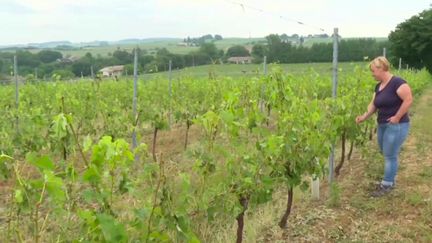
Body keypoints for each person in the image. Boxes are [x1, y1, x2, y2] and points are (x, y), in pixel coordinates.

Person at [355, 56, 413, 197]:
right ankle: (390, 180)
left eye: (373, 71)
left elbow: (408, 99)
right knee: (385, 152)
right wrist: (364, 116)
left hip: (396, 125)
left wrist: (397, 117)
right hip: (382, 124)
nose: (372, 74)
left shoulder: (397, 83)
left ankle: (387, 184)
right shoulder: (379, 86)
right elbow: (374, 104)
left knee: (390, 155)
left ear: (382, 69)